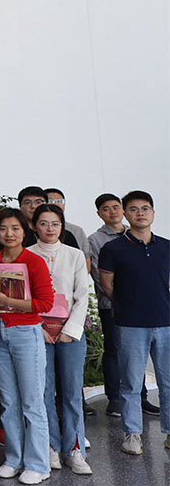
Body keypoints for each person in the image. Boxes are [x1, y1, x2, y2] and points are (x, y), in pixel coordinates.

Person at [98, 190, 170, 455]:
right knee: (130, 382)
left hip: (165, 322)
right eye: (134, 209)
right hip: (130, 324)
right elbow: (107, 284)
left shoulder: (166, 246)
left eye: (145, 208)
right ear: (126, 214)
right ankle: (132, 434)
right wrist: (126, 305)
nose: (140, 213)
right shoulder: (113, 248)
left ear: (153, 213)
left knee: (168, 381)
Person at [0, 209, 54, 485]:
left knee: (32, 402)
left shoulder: (34, 261)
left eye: (15, 228)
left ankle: (38, 464)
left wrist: (8, 301)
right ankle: (14, 459)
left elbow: (45, 304)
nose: (9, 234)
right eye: (3, 228)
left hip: (26, 333)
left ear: (24, 231)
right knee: (8, 402)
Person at [28, 204, 93, 475]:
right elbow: (24, 296)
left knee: (71, 392)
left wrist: (70, 329)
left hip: (70, 334)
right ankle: (51, 445)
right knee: (43, 391)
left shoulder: (74, 255)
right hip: (37, 332)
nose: (50, 228)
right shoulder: (27, 255)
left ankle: (74, 448)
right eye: (43, 223)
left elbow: (83, 294)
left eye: (55, 223)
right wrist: (37, 328)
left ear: (62, 226)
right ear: (34, 226)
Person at [88, 193, 158, 417]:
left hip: (143, 307)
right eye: (106, 208)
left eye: (115, 206)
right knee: (114, 350)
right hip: (111, 305)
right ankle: (115, 398)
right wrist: (122, 299)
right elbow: (100, 276)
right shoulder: (96, 240)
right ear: (99, 214)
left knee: (139, 355)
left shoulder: (139, 235)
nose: (112, 212)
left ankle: (142, 397)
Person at [16, 187, 80, 249]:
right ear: (20, 206)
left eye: (38, 202)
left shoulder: (65, 235)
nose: (33, 206)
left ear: (46, 204)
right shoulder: (16, 234)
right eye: (27, 202)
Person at [45, 188, 90, 260]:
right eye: (50, 201)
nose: (55, 204)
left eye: (59, 201)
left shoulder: (76, 230)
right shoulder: (39, 229)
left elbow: (86, 257)